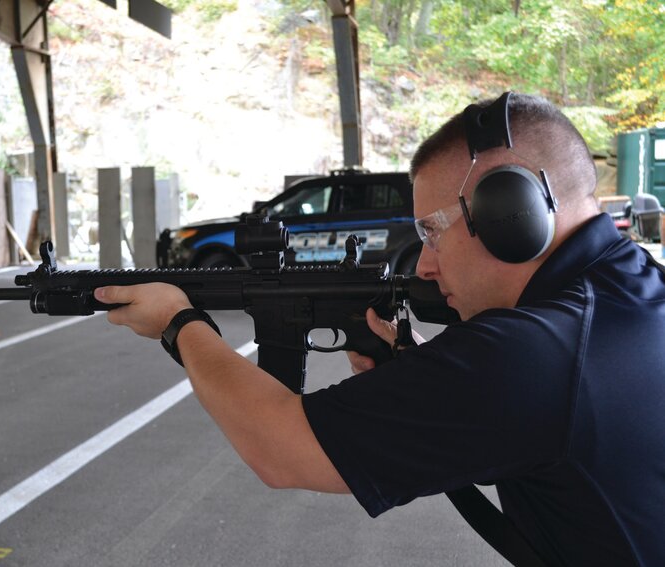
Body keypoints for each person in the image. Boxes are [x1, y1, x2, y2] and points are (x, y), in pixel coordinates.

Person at [94, 93, 665, 565]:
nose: (424, 264)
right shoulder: (637, 291)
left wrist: (179, 324)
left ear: (508, 214)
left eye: (433, 232)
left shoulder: (535, 353)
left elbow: (281, 450)